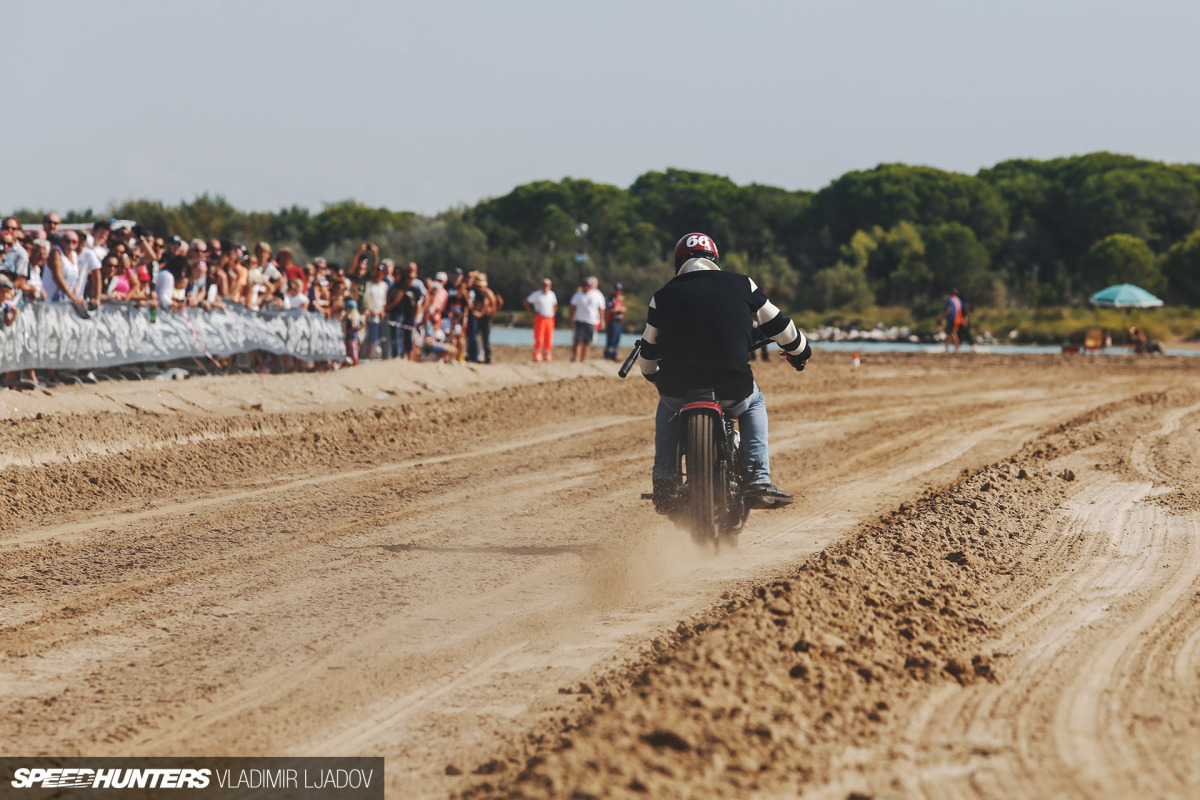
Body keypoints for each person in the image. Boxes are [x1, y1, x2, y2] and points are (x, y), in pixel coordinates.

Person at [638, 232, 810, 512]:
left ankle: (664, 480)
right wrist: (801, 352)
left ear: (678, 263)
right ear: (715, 259)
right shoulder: (742, 284)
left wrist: (659, 379)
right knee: (755, 402)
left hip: (678, 389)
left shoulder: (663, 295)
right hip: (733, 386)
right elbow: (780, 326)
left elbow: (647, 357)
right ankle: (758, 477)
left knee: (666, 401)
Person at [569, 276, 605, 362]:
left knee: (587, 342)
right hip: (580, 321)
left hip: (591, 322)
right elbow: (572, 307)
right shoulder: (578, 295)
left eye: (587, 285)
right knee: (578, 341)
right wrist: (571, 319)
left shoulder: (597, 295)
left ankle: (584, 359)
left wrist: (602, 320)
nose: (585, 287)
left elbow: (601, 309)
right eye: (584, 285)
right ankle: (576, 359)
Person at [470, 272, 502, 364]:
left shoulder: (487, 292)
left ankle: (487, 358)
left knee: (485, 339)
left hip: (485, 317)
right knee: (482, 338)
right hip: (485, 317)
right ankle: (483, 357)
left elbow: (492, 302)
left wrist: (486, 313)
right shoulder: (485, 291)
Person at [524, 278, 557, 363]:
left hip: (549, 318)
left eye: (547, 285)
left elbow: (555, 305)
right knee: (539, 338)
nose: (545, 286)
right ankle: (537, 356)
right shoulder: (536, 294)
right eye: (543, 284)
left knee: (549, 338)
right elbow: (526, 302)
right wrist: (532, 312)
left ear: (550, 286)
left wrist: (553, 314)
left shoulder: (552, 294)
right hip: (540, 318)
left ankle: (547, 356)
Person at [603, 283, 626, 361]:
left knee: (617, 339)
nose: (618, 292)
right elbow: (610, 309)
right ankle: (608, 355)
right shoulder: (611, 299)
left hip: (619, 322)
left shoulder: (619, 300)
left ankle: (614, 355)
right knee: (611, 338)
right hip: (612, 321)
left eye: (620, 290)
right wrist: (619, 309)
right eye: (617, 290)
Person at [941, 288, 964, 353]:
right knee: (954, 332)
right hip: (958, 319)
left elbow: (949, 309)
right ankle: (956, 348)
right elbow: (960, 309)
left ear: (950, 294)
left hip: (951, 318)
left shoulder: (950, 300)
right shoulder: (959, 300)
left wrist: (943, 317)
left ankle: (948, 349)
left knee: (949, 333)